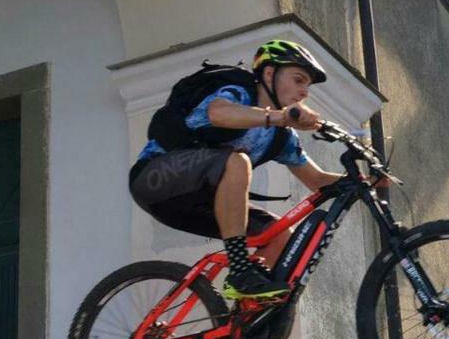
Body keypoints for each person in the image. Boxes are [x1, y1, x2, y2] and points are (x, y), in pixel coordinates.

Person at [128, 40, 347, 302]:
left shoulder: (281, 137)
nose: (304, 92)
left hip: (201, 204)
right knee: (237, 162)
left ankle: (243, 325)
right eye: (298, 80)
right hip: (154, 180)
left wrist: (367, 180)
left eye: (307, 87)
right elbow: (218, 114)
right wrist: (277, 116)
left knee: (279, 234)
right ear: (269, 73)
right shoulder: (239, 91)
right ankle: (240, 272)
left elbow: (317, 180)